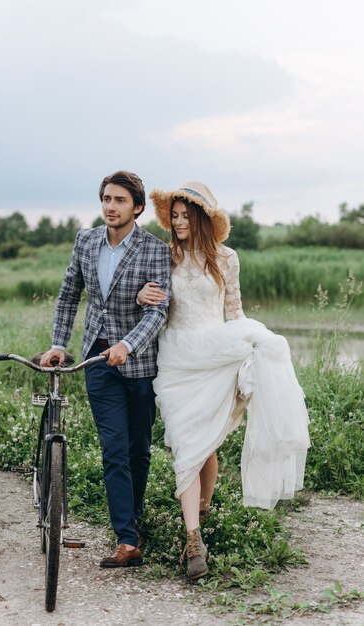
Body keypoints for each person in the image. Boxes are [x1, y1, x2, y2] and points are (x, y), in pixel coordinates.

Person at [137, 181, 310, 580]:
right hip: (177, 360)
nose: (178, 222)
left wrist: (247, 354)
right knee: (186, 444)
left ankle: (200, 512)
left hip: (216, 354)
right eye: (174, 216)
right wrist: (138, 298)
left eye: (185, 216)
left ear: (200, 218)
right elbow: (152, 302)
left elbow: (234, 310)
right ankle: (194, 540)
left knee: (207, 443)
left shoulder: (226, 257)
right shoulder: (165, 255)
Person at [40, 171, 171, 568]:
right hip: (96, 360)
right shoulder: (86, 240)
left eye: (119, 200)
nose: (110, 207)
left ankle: (135, 520)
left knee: (138, 450)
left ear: (138, 207)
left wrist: (128, 345)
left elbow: (158, 310)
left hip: (140, 362)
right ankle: (127, 540)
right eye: (106, 199)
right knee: (114, 450)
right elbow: (68, 297)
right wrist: (59, 344)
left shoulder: (155, 249)